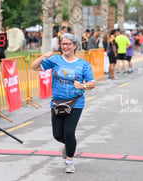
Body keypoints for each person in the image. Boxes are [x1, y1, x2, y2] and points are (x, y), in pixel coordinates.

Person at [30, 33, 96, 173]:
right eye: (63, 44)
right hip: (57, 102)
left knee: (69, 132)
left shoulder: (83, 64)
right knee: (58, 135)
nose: (65, 46)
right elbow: (34, 67)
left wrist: (83, 86)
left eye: (68, 44)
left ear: (75, 46)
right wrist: (42, 57)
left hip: (75, 102)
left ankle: (69, 161)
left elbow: (92, 83)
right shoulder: (55, 60)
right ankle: (68, 145)